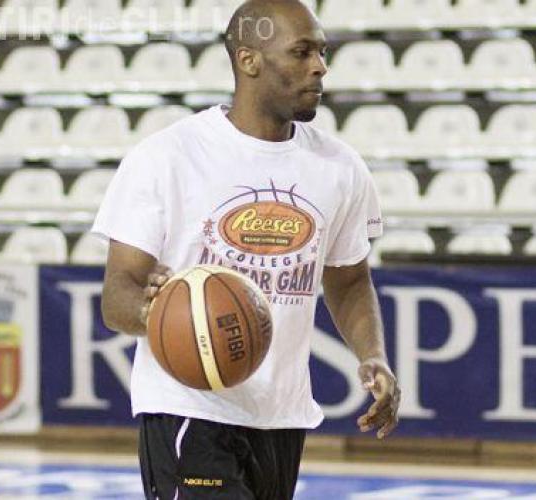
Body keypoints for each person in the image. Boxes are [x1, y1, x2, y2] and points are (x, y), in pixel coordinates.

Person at [94, 1, 401, 498]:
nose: (320, 67)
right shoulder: (167, 156)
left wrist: (374, 355)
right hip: (190, 407)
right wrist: (155, 312)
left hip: (280, 415)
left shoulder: (340, 167)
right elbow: (116, 297)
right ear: (248, 59)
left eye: (322, 53)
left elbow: (348, 281)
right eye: (301, 52)